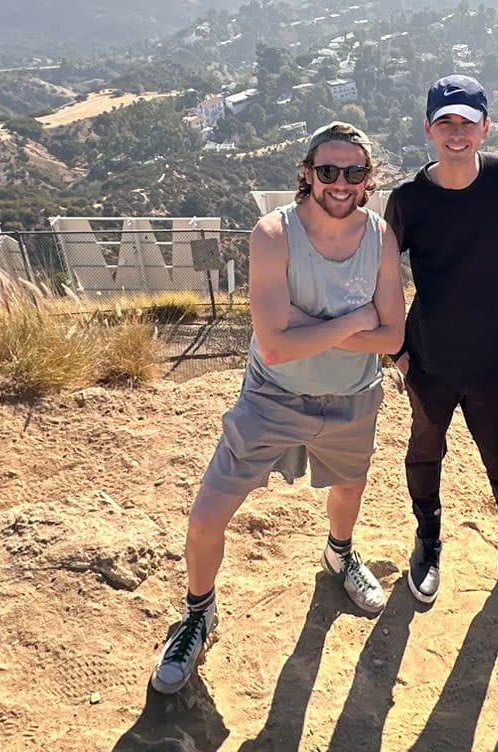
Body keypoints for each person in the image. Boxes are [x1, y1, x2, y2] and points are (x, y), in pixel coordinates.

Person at [150, 122, 406, 695]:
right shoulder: (273, 234)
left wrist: (314, 330)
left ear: (369, 180)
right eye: (328, 171)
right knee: (207, 514)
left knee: (348, 485)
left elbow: (392, 338)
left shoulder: (382, 236)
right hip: (272, 396)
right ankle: (198, 613)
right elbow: (275, 345)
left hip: (352, 396)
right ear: (307, 174)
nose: (340, 183)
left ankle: (339, 555)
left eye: (354, 172)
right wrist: (355, 321)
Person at [385, 75, 498, 606]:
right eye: (445, 122)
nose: (456, 132)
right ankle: (428, 539)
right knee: (425, 449)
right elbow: (380, 275)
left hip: (494, 359)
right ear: (428, 129)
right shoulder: (408, 200)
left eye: (467, 122)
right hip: (428, 358)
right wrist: (392, 348)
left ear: (486, 127)